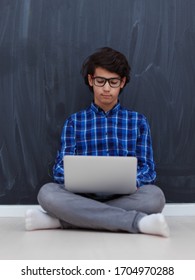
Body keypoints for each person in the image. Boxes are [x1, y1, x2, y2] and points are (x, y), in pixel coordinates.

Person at [25, 47, 170, 237]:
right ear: (91, 80)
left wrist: (131, 182)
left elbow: (148, 170)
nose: (107, 88)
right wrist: (78, 179)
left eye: (113, 82)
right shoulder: (74, 122)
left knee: (155, 198)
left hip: (125, 196)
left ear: (123, 82)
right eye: (101, 81)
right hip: (80, 195)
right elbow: (59, 169)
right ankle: (138, 222)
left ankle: (62, 220)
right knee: (47, 193)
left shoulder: (138, 121)